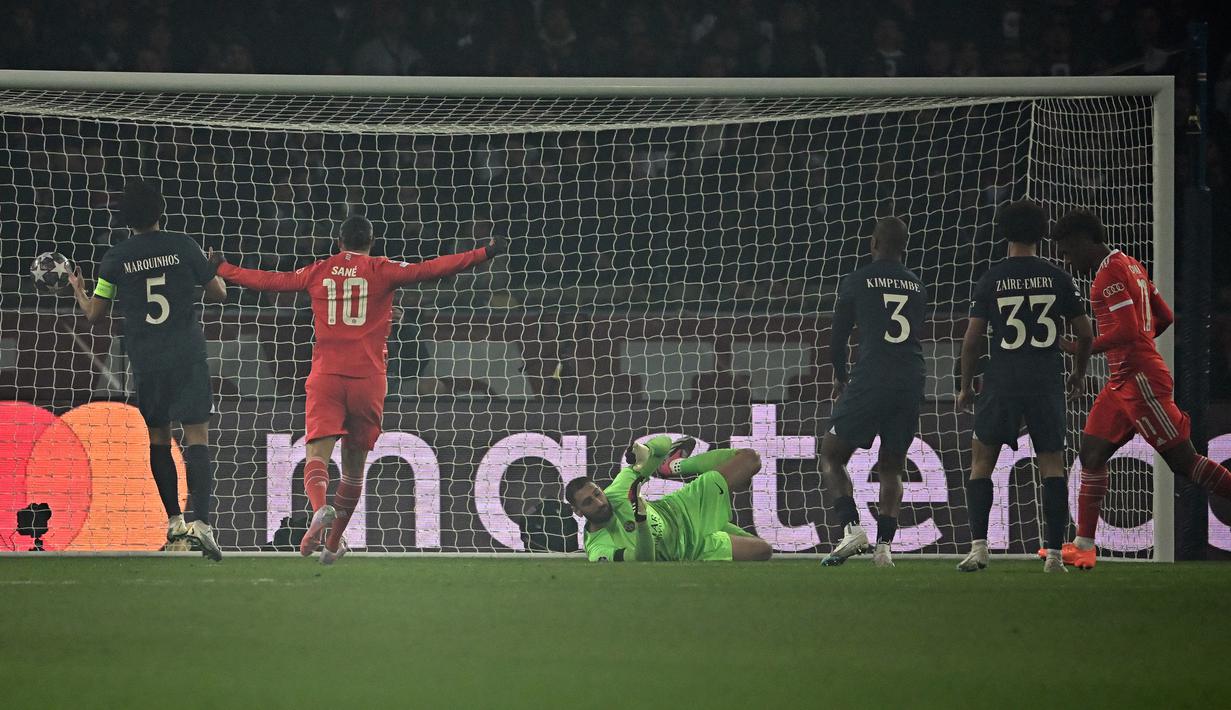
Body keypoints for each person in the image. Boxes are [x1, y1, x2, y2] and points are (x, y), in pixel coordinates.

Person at [213, 214, 499, 564]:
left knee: (317, 455)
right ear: (371, 241)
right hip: (368, 380)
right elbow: (432, 268)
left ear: (339, 241)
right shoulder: (382, 270)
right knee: (353, 470)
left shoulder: (318, 271)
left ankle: (320, 509)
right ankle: (333, 543)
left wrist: (224, 268)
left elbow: (270, 281)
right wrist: (483, 253)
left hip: (327, 377)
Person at [1051, 210, 1231, 568]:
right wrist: (1132, 349)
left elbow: (1131, 331)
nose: (1068, 262)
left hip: (1142, 382)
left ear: (1085, 240)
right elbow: (1163, 317)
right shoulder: (1130, 264)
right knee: (1091, 454)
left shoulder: (1109, 275)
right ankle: (1085, 546)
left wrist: (1081, 347)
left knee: (1185, 463)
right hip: (1122, 381)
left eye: (1069, 252)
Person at [68, 178, 227, 560]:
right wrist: (211, 266)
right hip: (187, 354)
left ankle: (175, 523)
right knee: (197, 437)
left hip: (147, 360)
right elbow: (219, 292)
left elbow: (94, 314)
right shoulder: (184, 246)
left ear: (126, 220)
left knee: (159, 438)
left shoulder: (115, 259)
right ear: (161, 212)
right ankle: (203, 525)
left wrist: (77, 288)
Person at [955, 200, 1093, 573]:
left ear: (1004, 233)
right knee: (1052, 464)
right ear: (1042, 234)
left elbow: (972, 338)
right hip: (1045, 380)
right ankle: (1052, 555)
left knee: (982, 462)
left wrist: (966, 385)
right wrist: (1078, 373)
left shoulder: (992, 278)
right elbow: (1085, 332)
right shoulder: (1057, 278)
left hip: (1002, 380)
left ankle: (979, 548)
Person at [820, 217, 926, 568]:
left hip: (871, 377)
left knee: (832, 454)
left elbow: (837, 339)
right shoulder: (916, 285)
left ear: (873, 243)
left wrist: (840, 375)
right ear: (904, 247)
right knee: (892, 467)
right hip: (910, 379)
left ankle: (851, 528)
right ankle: (884, 548)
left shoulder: (857, 281)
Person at [565, 436, 772, 562]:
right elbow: (643, 560)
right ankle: (715, 530)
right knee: (763, 550)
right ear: (578, 511)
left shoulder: (618, 491)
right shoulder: (599, 548)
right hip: (691, 549)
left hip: (683, 508)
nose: (600, 502)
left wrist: (648, 451)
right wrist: (641, 521)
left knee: (749, 458)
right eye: (588, 502)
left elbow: (664, 443)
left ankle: (672, 466)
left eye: (597, 494)